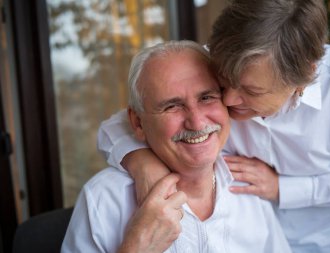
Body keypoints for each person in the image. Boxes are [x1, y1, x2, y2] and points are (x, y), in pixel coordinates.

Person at [97, 0, 330, 252]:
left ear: (304, 76)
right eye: (224, 81)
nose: (229, 99)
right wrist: (142, 162)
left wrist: (281, 188)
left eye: (251, 91)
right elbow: (126, 122)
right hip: (245, 238)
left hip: (327, 238)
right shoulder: (219, 57)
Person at [62, 40, 291, 253]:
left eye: (207, 98)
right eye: (172, 106)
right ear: (138, 123)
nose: (197, 122)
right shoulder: (103, 199)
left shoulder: (249, 187)